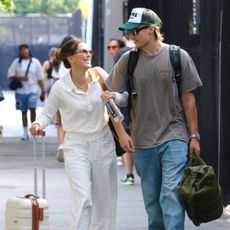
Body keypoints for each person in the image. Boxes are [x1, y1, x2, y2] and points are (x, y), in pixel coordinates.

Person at [106, 7, 202, 230]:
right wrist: (121, 134)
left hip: (174, 135)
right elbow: (109, 96)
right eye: (129, 32)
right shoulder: (127, 61)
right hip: (142, 141)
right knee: (152, 202)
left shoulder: (178, 56)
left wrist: (194, 135)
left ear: (151, 30)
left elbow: (189, 100)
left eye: (135, 31)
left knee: (171, 193)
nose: (131, 36)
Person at [29, 35, 134, 230]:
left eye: (89, 51)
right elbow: (47, 114)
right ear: (70, 58)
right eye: (83, 52)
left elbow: (123, 99)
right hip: (76, 146)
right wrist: (37, 125)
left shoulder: (100, 75)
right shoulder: (61, 88)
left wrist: (115, 96)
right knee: (83, 197)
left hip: (103, 143)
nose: (88, 55)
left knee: (105, 203)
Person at [7, 44, 45, 140]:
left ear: (29, 50)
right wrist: (20, 78)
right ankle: (25, 133)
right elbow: (10, 74)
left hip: (33, 89)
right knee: (23, 112)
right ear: (20, 52)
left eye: (25, 49)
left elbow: (40, 78)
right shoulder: (16, 62)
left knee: (33, 110)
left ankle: (34, 131)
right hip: (20, 91)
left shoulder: (35, 62)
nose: (24, 51)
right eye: (22, 50)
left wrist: (43, 91)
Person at [43, 47, 69, 162]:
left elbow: (55, 81)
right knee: (69, 122)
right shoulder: (70, 65)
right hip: (70, 95)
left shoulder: (56, 65)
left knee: (60, 123)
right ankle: (67, 145)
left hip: (58, 94)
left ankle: (61, 145)